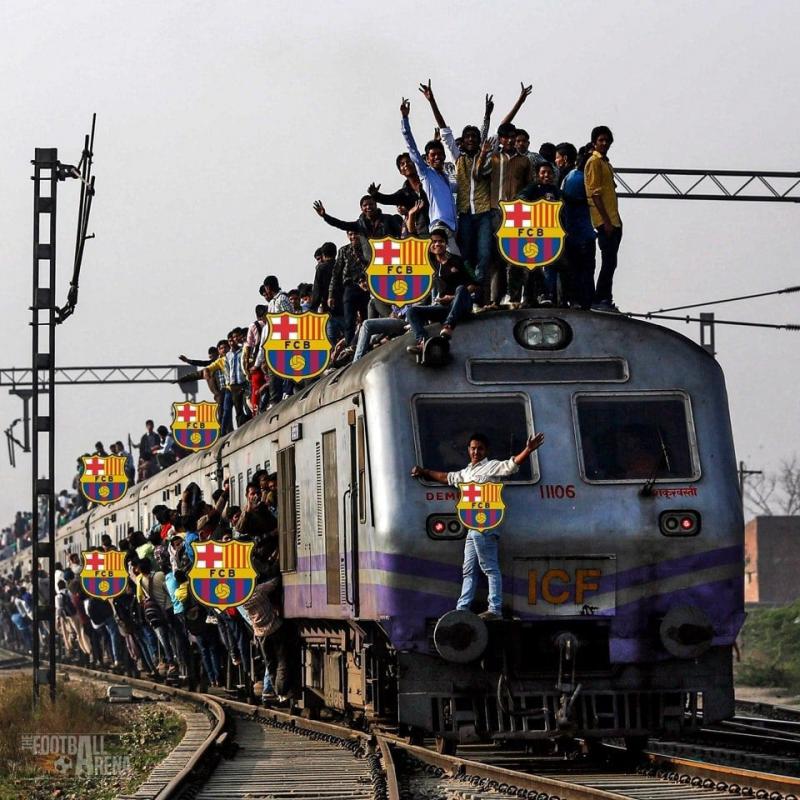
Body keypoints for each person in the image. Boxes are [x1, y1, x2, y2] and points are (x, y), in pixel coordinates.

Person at [411, 431, 545, 620]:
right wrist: (424, 472)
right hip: (472, 528)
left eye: (480, 449)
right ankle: (462, 608)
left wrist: (528, 450)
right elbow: (446, 477)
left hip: (486, 526)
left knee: (490, 568)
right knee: (469, 570)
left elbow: (511, 465)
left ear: (486, 450)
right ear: (468, 450)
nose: (476, 452)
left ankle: (495, 609)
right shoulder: (466, 473)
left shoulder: (491, 467)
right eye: (473, 448)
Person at [399, 98, 459, 253]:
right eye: (433, 155)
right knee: (454, 260)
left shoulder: (446, 178)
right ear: (427, 159)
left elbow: (461, 187)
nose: (437, 157)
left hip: (453, 227)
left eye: (440, 154)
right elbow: (412, 148)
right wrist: (405, 119)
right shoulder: (426, 174)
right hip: (440, 227)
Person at [405, 229, 477, 354]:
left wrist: (452, 297)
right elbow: (413, 243)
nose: (437, 244)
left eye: (441, 241)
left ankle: (448, 327)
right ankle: (423, 342)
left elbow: (474, 286)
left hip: (461, 305)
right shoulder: (431, 263)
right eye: (434, 242)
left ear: (446, 243)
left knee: (460, 289)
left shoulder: (458, 260)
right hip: (444, 308)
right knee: (411, 311)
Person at [585, 125, 622, 312]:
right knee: (608, 261)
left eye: (607, 140)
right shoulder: (594, 162)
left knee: (611, 262)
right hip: (604, 220)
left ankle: (606, 296)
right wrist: (606, 221)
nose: (604, 143)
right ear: (594, 142)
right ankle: (601, 298)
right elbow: (595, 194)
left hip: (613, 219)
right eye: (601, 140)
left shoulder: (606, 163)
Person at [560, 145, 597, 310]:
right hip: (580, 233)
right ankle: (584, 302)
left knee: (578, 271)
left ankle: (578, 300)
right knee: (583, 271)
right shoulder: (579, 179)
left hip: (576, 232)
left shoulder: (571, 176)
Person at [368, 153, 430, 237]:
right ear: (401, 172)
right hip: (423, 232)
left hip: (440, 224)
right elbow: (387, 199)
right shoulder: (404, 193)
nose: (406, 165)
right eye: (402, 164)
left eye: (409, 161)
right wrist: (375, 195)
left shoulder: (429, 181)